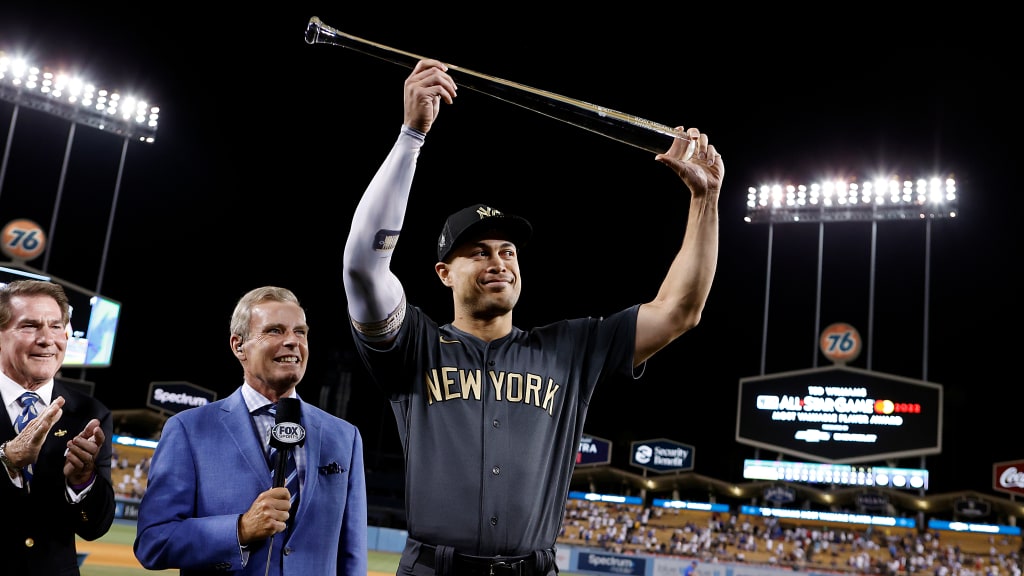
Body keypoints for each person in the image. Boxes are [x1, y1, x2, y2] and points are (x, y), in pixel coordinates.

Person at [342, 59, 723, 576]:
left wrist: (705, 199)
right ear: (443, 273)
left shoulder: (570, 348)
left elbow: (679, 311)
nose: (499, 261)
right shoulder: (414, 345)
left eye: (508, 252)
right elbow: (364, 266)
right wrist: (412, 136)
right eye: (477, 253)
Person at [133, 286, 368, 575]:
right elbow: (153, 542)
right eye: (275, 331)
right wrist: (240, 529)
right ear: (238, 346)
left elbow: (352, 555)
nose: (293, 342)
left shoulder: (345, 437)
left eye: (300, 332)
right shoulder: (189, 430)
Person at [0, 279, 116, 576]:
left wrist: (83, 482)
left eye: (56, 326)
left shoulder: (91, 413)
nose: (47, 339)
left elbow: (95, 528)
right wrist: (7, 461)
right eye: (29, 326)